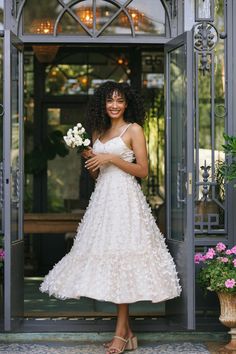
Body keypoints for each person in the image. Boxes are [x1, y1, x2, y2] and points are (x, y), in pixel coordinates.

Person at [40, 81, 181, 354]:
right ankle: (126, 332)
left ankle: (121, 333)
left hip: (126, 201)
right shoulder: (98, 131)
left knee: (123, 260)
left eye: (119, 100)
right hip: (103, 201)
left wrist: (110, 159)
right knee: (111, 261)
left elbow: (143, 171)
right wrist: (91, 160)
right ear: (102, 104)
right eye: (109, 101)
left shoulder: (134, 130)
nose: (114, 105)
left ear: (127, 103)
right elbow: (97, 175)